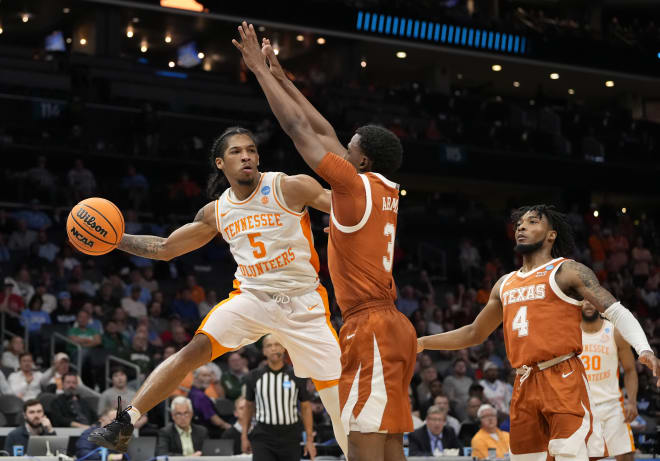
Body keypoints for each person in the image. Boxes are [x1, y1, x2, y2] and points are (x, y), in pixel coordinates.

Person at [88, 124, 346, 456]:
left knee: (340, 407)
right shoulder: (217, 211)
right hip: (252, 298)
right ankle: (124, 423)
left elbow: (348, 207)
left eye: (251, 150)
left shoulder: (289, 187)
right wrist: (115, 240)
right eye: (237, 152)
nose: (247, 156)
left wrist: (345, 222)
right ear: (221, 163)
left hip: (304, 304)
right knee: (191, 351)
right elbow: (166, 248)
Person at [233, 23, 415, 461]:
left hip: (368, 324)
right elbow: (325, 129)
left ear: (362, 160)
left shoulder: (352, 188)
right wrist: (282, 77)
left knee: (362, 443)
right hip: (394, 326)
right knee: (389, 442)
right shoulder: (381, 188)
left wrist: (258, 71)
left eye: (349, 150)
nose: (340, 150)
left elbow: (301, 131)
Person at [418, 205, 660, 461]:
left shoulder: (567, 271)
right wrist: (422, 342)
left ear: (551, 235)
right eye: (520, 223)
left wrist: (643, 348)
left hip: (563, 376)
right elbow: (474, 333)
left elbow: (616, 311)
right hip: (523, 382)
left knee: (570, 455)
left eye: (533, 222)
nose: (522, 227)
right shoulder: (504, 283)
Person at [241, 335, 315, 460]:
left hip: (290, 436)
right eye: (269, 346)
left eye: (277, 344)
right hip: (263, 436)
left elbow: (306, 407)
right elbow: (248, 407)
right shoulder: (254, 376)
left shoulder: (297, 375)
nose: (273, 349)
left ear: (284, 348)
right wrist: (244, 436)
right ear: (264, 351)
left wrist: (309, 440)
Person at [581, 300, 637, 461]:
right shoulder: (571, 333)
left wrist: (632, 402)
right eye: (584, 301)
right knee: (587, 457)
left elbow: (630, 369)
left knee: (626, 455)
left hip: (612, 405)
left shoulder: (614, 332)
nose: (588, 305)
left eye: (592, 301)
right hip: (582, 408)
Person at [188, 365, 232, 437]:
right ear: (195, 378)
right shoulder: (200, 396)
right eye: (204, 376)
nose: (208, 379)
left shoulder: (193, 392)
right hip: (209, 434)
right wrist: (230, 428)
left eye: (209, 376)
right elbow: (215, 421)